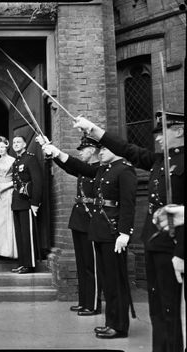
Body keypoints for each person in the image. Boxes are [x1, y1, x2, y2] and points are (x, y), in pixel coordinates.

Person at [73, 112, 184, 349]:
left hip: (174, 245)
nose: (158, 138)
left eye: (163, 130)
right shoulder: (157, 160)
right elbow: (126, 147)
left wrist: (181, 253)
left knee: (170, 310)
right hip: (154, 242)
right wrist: (92, 128)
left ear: (180, 131)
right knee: (158, 311)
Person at [42, 141, 137, 339]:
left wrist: (125, 233)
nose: (100, 152)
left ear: (117, 150)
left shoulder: (125, 170)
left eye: (104, 148)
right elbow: (80, 167)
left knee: (116, 282)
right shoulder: (103, 170)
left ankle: (119, 326)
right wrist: (58, 153)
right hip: (100, 231)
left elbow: (128, 205)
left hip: (113, 233)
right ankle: (111, 322)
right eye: (100, 149)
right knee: (108, 281)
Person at [37, 134, 102, 316]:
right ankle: (84, 302)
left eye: (83, 150)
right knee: (82, 264)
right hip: (79, 219)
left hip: (92, 219)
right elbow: (68, 167)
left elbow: (75, 164)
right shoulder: (84, 168)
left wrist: (57, 151)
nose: (80, 153)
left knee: (91, 265)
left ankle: (93, 304)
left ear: (93, 150)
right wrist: (52, 152)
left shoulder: (100, 168)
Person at [11, 135, 42, 274]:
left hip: (27, 202)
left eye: (19, 142)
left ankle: (29, 264)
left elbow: (37, 182)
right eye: (14, 142)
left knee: (27, 234)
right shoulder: (16, 162)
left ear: (24, 144)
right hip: (17, 202)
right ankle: (22, 263)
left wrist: (35, 203)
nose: (16, 144)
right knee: (20, 234)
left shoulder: (30, 158)